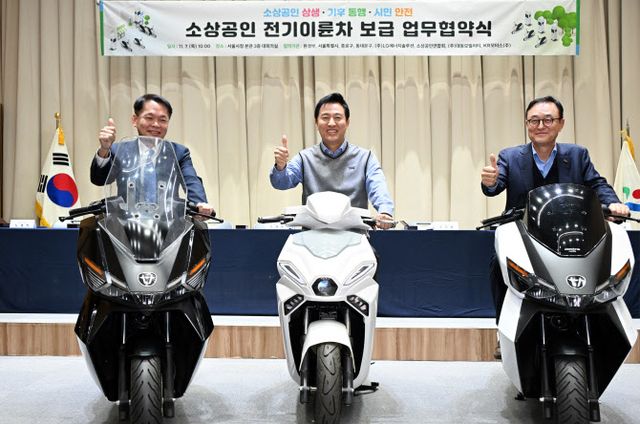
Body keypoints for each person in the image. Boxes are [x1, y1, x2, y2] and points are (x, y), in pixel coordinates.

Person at [480, 95, 629, 358]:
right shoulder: (510, 156)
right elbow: (495, 186)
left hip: (568, 234)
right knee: (497, 266)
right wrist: (490, 182)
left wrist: (613, 203)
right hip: (523, 235)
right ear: (527, 124)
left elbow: (597, 184)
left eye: (548, 120)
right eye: (534, 120)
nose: (541, 125)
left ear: (561, 123)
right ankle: (504, 330)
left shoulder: (577, 155)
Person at [270, 92, 394, 229]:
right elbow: (281, 183)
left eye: (337, 117)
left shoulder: (366, 158)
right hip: (313, 235)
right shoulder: (304, 158)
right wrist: (280, 166)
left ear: (347, 122)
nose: (331, 123)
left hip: (355, 235)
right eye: (325, 118)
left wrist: (385, 212)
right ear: (316, 122)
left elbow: (378, 187)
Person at [91, 93, 215, 216]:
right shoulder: (119, 149)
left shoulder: (179, 152)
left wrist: (200, 203)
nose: (156, 124)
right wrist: (104, 149)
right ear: (135, 120)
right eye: (149, 118)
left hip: (168, 222)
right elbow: (99, 180)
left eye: (162, 120)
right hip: (126, 222)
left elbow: (191, 180)